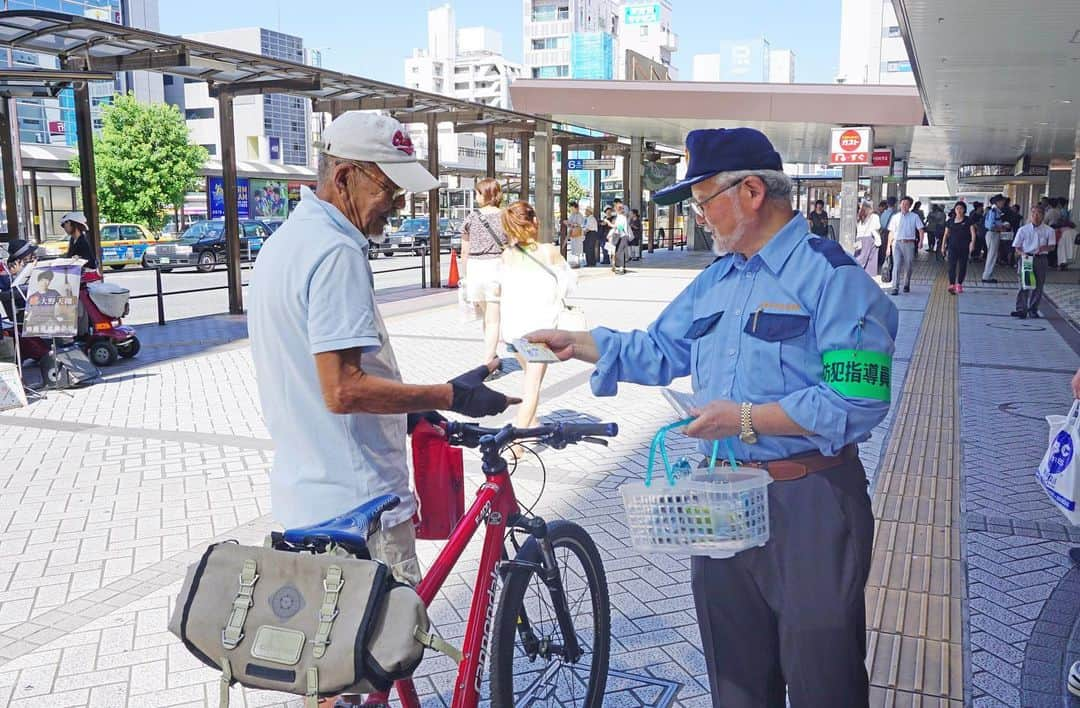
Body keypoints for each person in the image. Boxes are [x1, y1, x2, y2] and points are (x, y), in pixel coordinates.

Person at [528, 127, 897, 708]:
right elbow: (660, 349)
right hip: (724, 499)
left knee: (824, 678)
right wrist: (580, 344)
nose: (700, 217)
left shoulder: (835, 279)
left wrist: (745, 419)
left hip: (811, 500)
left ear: (751, 191)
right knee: (735, 676)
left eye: (703, 201)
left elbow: (857, 402)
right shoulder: (717, 280)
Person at [247, 112, 518, 636]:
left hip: (308, 494)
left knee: (331, 669)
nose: (397, 204)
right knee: (381, 655)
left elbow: (321, 373)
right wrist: (452, 395)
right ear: (345, 176)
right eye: (389, 188)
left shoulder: (287, 241)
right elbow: (342, 389)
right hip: (361, 509)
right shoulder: (336, 251)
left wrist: (416, 403)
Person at [498, 200, 573, 432]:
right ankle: (519, 440)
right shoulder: (549, 252)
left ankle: (532, 423)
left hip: (513, 332)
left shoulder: (507, 255)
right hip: (540, 333)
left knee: (531, 382)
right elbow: (569, 285)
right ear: (534, 222)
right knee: (531, 389)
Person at [460, 177, 508, 365]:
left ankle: (491, 354)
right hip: (496, 267)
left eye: (478, 193)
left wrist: (465, 276)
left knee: (487, 316)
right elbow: (511, 246)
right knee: (494, 318)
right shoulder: (505, 216)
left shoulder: (471, 218)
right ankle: (489, 360)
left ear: (486, 194)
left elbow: (464, 251)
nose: (476, 197)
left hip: (475, 268)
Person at [1010, 204, 1055, 319]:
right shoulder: (1023, 230)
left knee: (1038, 285)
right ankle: (1021, 309)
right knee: (1024, 284)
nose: (1036, 216)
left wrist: (1044, 248)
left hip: (1041, 259)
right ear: (1030, 215)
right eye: (1033, 213)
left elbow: (1052, 246)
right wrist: (1022, 254)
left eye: (1039, 213)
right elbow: (1017, 247)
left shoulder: (1049, 230)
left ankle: (1033, 309)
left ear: (1043, 215)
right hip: (1026, 259)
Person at [885, 196, 925, 295]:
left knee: (908, 265)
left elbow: (921, 230)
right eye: (902, 204)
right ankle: (895, 287)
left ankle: (906, 284)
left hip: (909, 243)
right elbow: (891, 232)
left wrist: (920, 241)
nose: (904, 206)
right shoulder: (895, 217)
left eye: (906, 204)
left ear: (910, 206)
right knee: (896, 265)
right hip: (897, 243)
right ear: (900, 204)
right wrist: (888, 247)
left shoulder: (914, 216)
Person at [942, 201, 976, 294]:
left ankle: (959, 284)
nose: (959, 210)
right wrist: (943, 246)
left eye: (961, 208)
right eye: (957, 208)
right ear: (955, 210)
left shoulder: (968, 220)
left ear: (964, 210)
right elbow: (946, 234)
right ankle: (952, 284)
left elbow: (973, 233)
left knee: (962, 266)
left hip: (964, 247)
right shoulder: (950, 221)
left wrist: (972, 243)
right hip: (952, 247)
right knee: (951, 266)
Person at [982, 195, 1007, 281]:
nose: (1004, 203)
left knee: (992, 255)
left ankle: (988, 275)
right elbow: (990, 226)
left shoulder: (995, 211)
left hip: (993, 234)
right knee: (992, 255)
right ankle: (986, 276)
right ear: (998, 202)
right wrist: (1002, 228)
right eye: (1002, 201)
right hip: (993, 234)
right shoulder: (993, 211)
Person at [854, 200, 881, 277]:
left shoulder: (859, 216)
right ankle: (867, 277)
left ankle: (857, 273)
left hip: (859, 238)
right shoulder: (874, 216)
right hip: (869, 238)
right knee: (870, 261)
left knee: (859, 257)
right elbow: (877, 227)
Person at [610, 201, 631, 274]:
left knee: (620, 252)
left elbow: (620, 227)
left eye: (615, 209)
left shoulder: (622, 217)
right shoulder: (619, 217)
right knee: (618, 252)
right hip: (619, 236)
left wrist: (611, 225)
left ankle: (621, 268)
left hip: (622, 236)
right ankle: (620, 267)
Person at [878, 196, 897, 271]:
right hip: (891, 233)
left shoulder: (884, 213)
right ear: (895, 204)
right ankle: (889, 265)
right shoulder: (895, 214)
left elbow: (881, 224)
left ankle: (884, 264)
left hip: (883, 233)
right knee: (890, 250)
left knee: (884, 250)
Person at [565, 199, 586, 267]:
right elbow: (570, 222)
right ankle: (576, 261)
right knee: (574, 246)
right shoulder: (572, 214)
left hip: (578, 233)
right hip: (573, 233)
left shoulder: (579, 215)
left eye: (572, 208)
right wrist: (568, 223)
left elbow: (580, 224)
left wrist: (572, 224)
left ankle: (577, 261)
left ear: (575, 208)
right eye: (571, 208)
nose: (571, 209)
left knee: (578, 246)